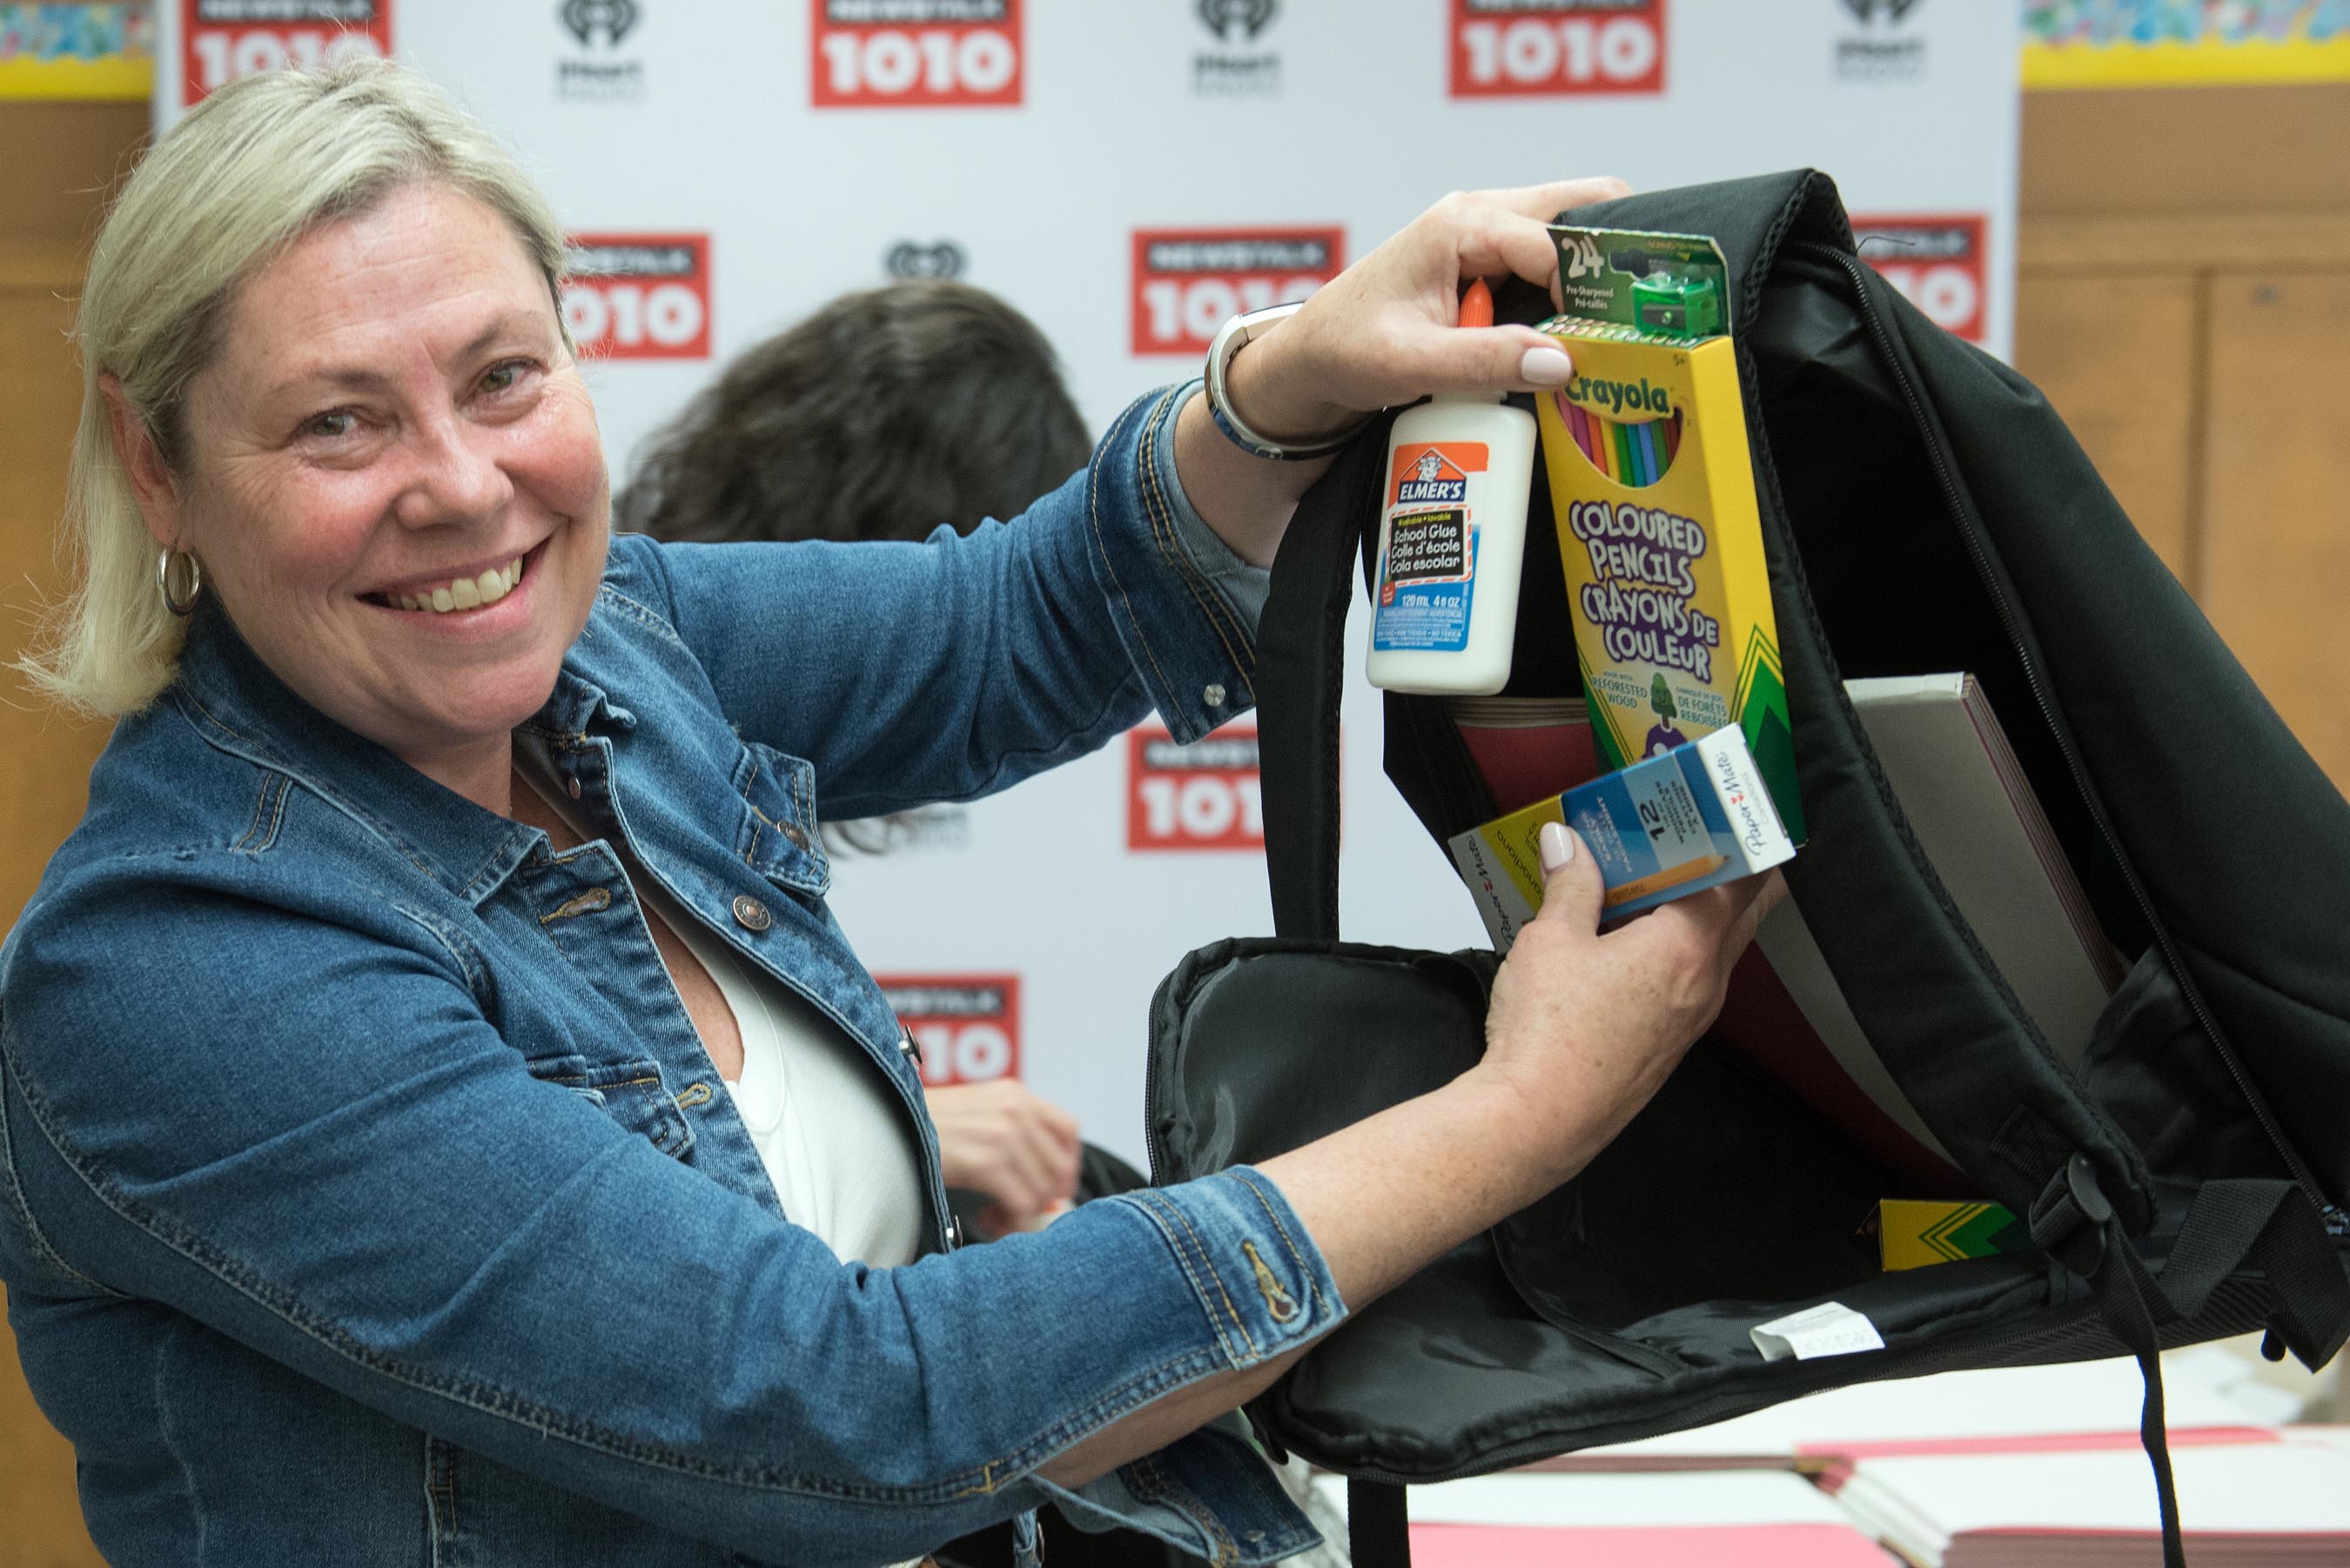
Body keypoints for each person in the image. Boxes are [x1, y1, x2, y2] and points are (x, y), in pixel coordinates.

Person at [0, 60, 1780, 1568]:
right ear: (157, 464)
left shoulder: (625, 650)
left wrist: (1290, 375)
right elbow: (856, 1407)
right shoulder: (179, 975)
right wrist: (1528, 1107)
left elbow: (1023, 620)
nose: (462, 486)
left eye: (503, 378)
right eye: (337, 423)